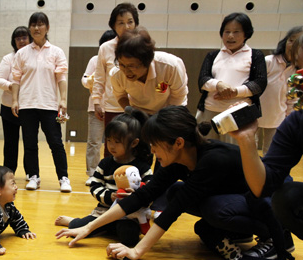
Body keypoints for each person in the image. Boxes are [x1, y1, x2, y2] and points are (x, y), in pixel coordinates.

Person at [56, 105, 290, 260]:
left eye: (155, 146)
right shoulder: (180, 157)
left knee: (213, 209)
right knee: (177, 190)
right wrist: (87, 228)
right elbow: (142, 196)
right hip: (239, 199)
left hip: (270, 202)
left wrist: (137, 251)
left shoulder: (211, 160)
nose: (153, 152)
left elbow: (173, 211)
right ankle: (238, 231)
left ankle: (273, 235)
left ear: (178, 143)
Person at [231, 33, 303, 260]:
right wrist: (246, 139)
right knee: (287, 197)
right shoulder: (297, 122)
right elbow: (265, 184)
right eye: (299, 67)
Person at [55, 109, 152, 247]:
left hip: (129, 216)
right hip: (103, 212)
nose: (111, 145)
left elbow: (150, 190)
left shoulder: (142, 167)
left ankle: (105, 228)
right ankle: (74, 221)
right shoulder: (105, 163)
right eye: (109, 140)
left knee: (130, 238)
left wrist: (135, 197)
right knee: (76, 227)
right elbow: (95, 186)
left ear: (134, 143)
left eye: (117, 141)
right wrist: (110, 196)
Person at [11, 12, 71, 192]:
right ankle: (33, 177)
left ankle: (64, 178)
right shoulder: (22, 53)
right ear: (30, 28)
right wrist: (15, 100)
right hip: (27, 104)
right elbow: (15, 79)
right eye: (33, 25)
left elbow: (61, 77)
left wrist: (63, 99)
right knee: (29, 143)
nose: (37, 28)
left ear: (47, 28)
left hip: (49, 105)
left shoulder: (56, 52)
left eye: (40, 24)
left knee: (56, 143)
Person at [196, 12, 267, 144]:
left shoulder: (255, 55)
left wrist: (234, 92)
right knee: (206, 149)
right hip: (210, 110)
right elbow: (202, 79)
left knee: (234, 152)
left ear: (246, 34)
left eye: (236, 32)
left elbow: (260, 83)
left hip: (238, 113)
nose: (230, 36)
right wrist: (219, 85)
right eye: (226, 31)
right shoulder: (212, 55)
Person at [92, 2, 139, 157]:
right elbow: (99, 78)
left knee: (136, 147)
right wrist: (97, 102)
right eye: (121, 23)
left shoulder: (141, 45)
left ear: (136, 24)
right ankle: (109, 179)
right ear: (113, 26)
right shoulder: (105, 48)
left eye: (130, 22)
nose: (126, 26)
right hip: (112, 106)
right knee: (111, 148)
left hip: (137, 106)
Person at [111, 28, 188, 115]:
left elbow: (178, 96)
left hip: (172, 111)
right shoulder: (117, 74)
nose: (126, 71)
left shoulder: (170, 66)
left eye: (131, 66)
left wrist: (164, 119)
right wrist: (134, 113)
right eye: (122, 64)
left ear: (147, 61)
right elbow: (120, 96)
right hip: (140, 114)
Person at [257, 26, 303, 155]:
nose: (292, 45)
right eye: (291, 40)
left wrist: (288, 119)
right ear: (285, 42)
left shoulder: (297, 72)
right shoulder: (268, 61)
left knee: (270, 152)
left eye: (298, 42)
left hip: (277, 118)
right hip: (255, 115)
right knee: (249, 150)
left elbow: (292, 100)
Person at [0, 26, 31, 174]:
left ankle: (31, 172)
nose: (21, 41)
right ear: (14, 41)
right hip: (9, 106)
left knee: (30, 142)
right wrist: (13, 87)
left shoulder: (35, 57)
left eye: (24, 37)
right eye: (18, 38)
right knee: (10, 142)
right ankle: (9, 171)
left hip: (29, 107)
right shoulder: (8, 59)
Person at [83, 30, 117, 186]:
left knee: (115, 142)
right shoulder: (95, 60)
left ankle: (111, 173)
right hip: (95, 107)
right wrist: (92, 80)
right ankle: (92, 173)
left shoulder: (121, 60)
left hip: (115, 107)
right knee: (94, 142)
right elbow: (85, 80)